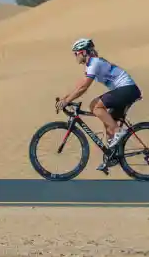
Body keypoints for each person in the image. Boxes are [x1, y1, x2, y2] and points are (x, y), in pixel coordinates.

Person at [58, 37, 142, 171]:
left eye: (76, 53)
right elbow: (80, 85)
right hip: (126, 90)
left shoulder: (94, 63)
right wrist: (66, 98)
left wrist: (67, 102)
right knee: (108, 123)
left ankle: (118, 131)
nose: (75, 57)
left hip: (127, 89)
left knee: (95, 106)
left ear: (83, 52)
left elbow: (84, 87)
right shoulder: (90, 65)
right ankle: (111, 156)